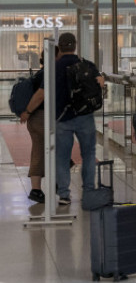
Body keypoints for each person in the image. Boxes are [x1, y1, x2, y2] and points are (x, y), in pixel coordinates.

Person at [41, 33, 103, 206]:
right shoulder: (87, 64)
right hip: (85, 116)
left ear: (59, 47)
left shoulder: (54, 67)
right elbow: (100, 83)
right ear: (75, 46)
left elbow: (47, 92)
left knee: (62, 156)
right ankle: (89, 191)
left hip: (62, 118)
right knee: (89, 154)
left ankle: (64, 195)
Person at [19, 54, 46, 204]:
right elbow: (40, 96)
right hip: (42, 117)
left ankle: (36, 190)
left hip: (35, 118)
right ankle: (58, 182)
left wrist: (28, 113)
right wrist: (27, 112)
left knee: (38, 151)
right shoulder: (48, 74)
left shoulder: (39, 74)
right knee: (58, 149)